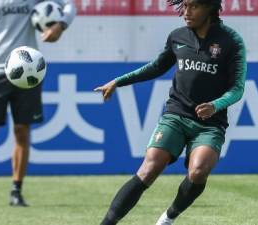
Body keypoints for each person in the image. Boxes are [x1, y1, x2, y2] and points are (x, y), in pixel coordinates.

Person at [94, 0, 246, 224]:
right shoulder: (177, 36)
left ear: (210, 7)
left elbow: (237, 88)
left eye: (193, 6)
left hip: (209, 124)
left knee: (198, 172)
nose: (186, 12)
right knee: (149, 167)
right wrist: (119, 81)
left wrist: (216, 105)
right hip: (175, 115)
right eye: (183, 6)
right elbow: (155, 67)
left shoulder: (232, 41)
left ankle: (169, 217)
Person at [0, 0, 76, 207]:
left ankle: (16, 191)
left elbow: (69, 5)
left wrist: (60, 25)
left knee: (22, 131)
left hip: (28, 70)